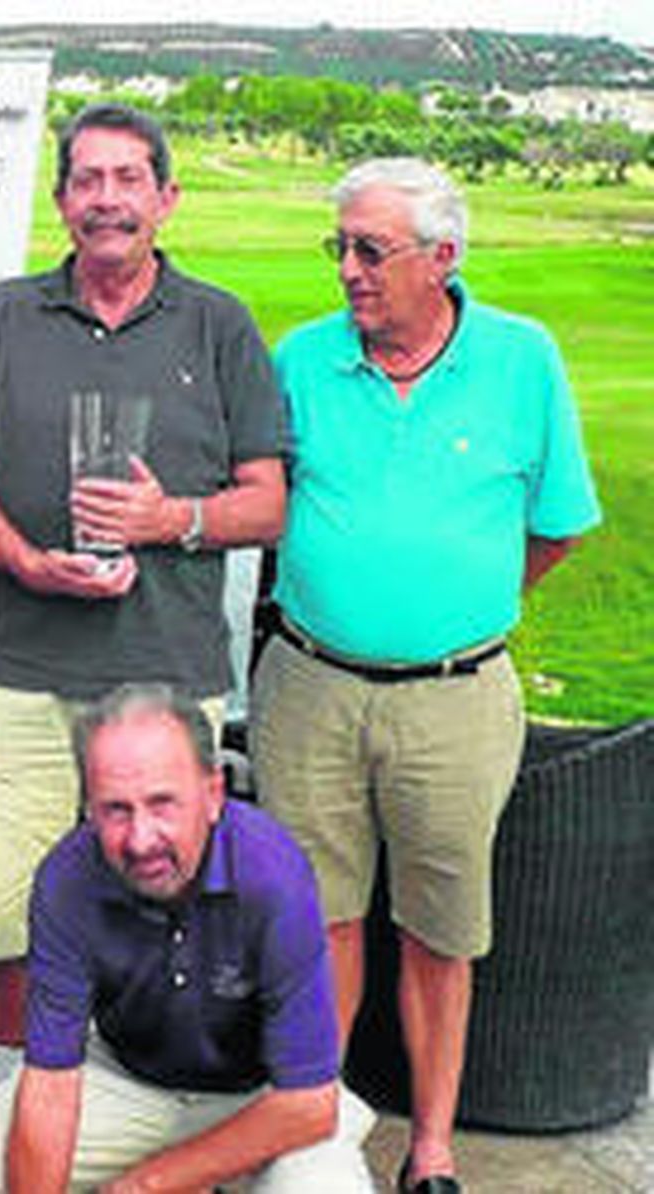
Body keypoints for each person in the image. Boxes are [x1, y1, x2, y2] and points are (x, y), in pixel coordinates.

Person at [250, 157, 600, 1194]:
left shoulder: (521, 362)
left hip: (456, 696)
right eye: (340, 249)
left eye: (370, 250)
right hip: (309, 685)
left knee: (441, 929)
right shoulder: (301, 361)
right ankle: (318, 1139)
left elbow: (555, 530)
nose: (349, 272)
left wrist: (458, 608)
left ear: (441, 258)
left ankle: (432, 1147)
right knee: (320, 922)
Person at [0, 102, 286, 1080]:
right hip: (18, 675)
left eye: (128, 178)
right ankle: (12, 1112)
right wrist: (21, 559)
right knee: (0, 911)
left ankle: (150, 1108)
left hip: (167, 681)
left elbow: (268, 504)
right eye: (87, 179)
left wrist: (168, 520)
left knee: (167, 917)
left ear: (165, 198)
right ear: (60, 200)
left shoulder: (218, 326)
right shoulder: (3, 314)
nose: (107, 199)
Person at [0, 685, 374, 1193]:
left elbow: (308, 1103)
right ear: (88, 807)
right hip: (126, 1077)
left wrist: (144, 1185)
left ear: (214, 794)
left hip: (259, 1095)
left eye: (162, 804)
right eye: (116, 809)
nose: (140, 838)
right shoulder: (66, 877)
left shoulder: (274, 872)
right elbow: (50, 1086)